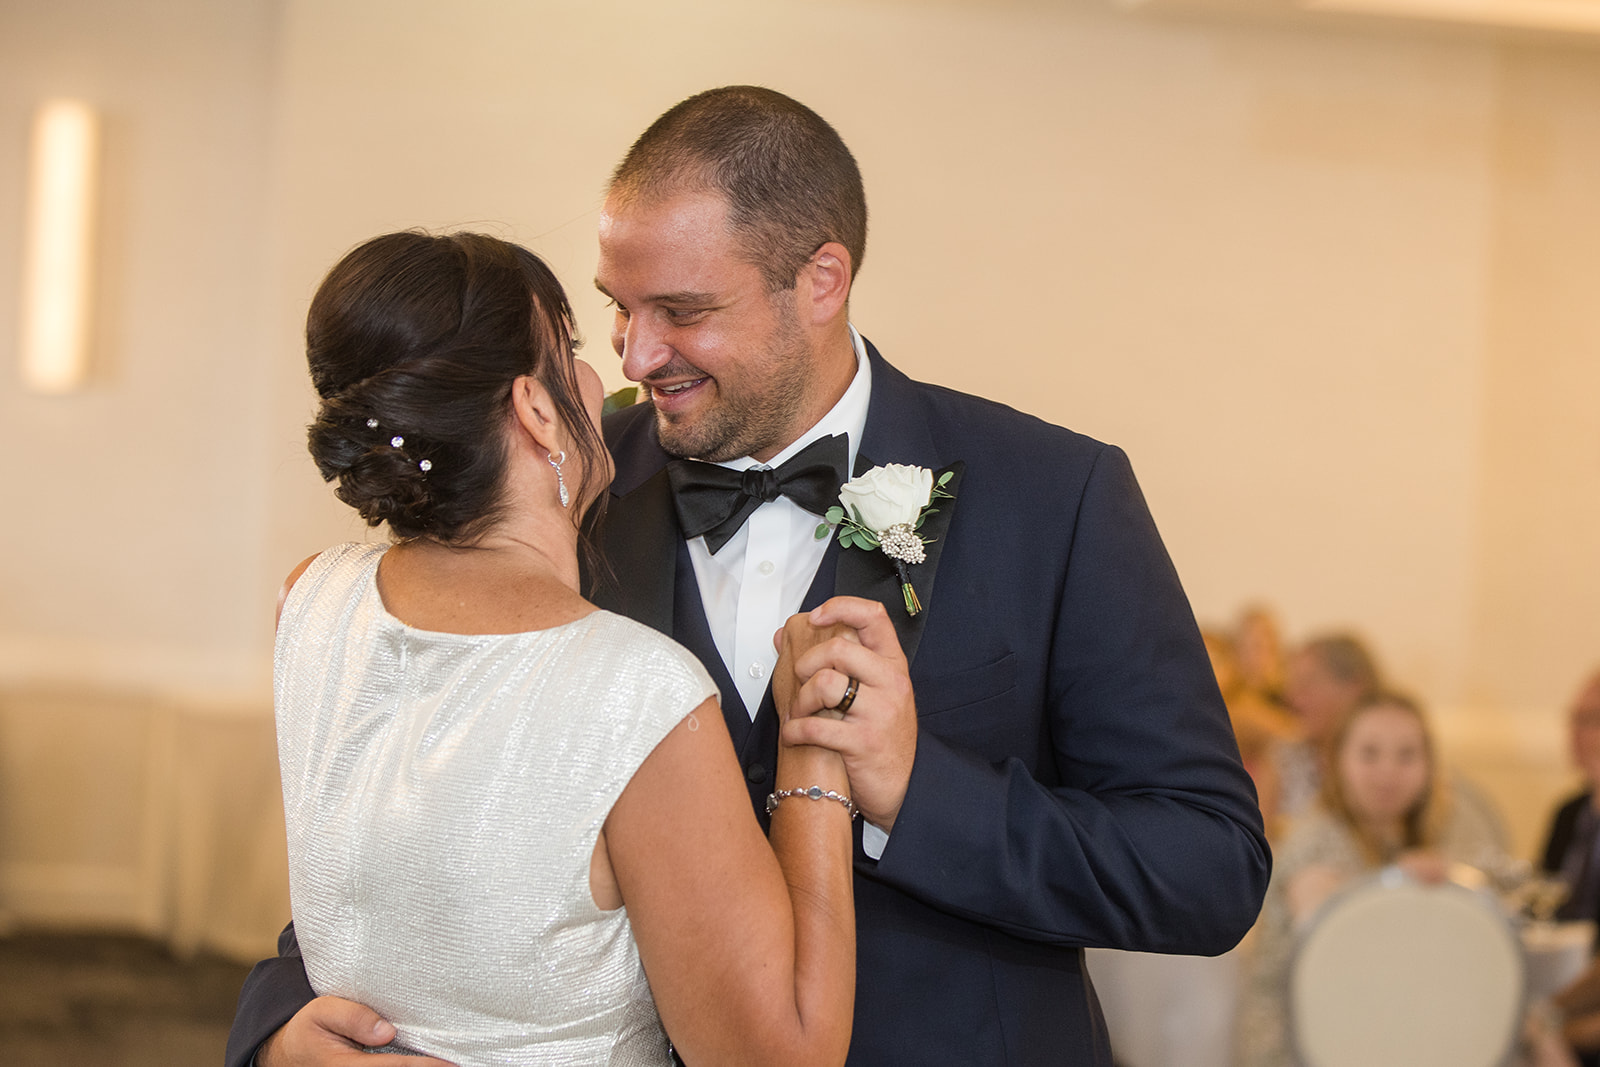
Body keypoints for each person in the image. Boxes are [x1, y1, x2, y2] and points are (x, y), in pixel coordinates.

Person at [230, 85, 1270, 1067]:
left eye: (681, 309)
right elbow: (412, 802)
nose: (637, 355)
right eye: (616, 309)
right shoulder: (565, 489)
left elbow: (1208, 866)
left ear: (821, 279)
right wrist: (282, 1021)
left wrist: (916, 791)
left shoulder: (1054, 493)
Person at [253, 231, 859, 1066]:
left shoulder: (310, 598)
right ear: (537, 409)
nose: (607, 374)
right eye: (570, 348)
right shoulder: (637, 693)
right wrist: (815, 749)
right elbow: (784, 1055)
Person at [1235, 691, 1464, 1067]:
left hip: (1368, 1030)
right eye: (1369, 753)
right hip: (1299, 1043)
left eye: (1406, 755)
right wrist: (1398, 882)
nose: (1388, 771)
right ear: (1335, 760)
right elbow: (1327, 928)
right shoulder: (1317, 838)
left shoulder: (1407, 839)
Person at [1540, 669, 1600, 924]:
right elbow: (1543, 894)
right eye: (1574, 719)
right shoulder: (1569, 812)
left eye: (1592, 719)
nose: (1575, 732)